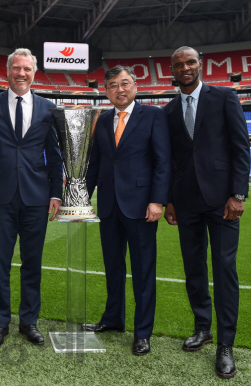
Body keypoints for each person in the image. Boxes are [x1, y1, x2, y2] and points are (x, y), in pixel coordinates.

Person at [163, 46, 250, 379]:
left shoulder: (224, 97)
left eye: (190, 62)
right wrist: (170, 199)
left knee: (224, 268)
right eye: (179, 65)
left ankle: (226, 344)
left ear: (200, 65)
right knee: (193, 268)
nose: (185, 68)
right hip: (186, 202)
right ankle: (203, 327)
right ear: (172, 70)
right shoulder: (169, 111)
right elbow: (170, 160)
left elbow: (241, 147)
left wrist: (238, 194)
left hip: (222, 200)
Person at [83, 65, 171, 356]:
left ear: (135, 86)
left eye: (124, 84)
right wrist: (82, 198)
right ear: (106, 91)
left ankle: (142, 332)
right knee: (113, 266)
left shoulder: (154, 115)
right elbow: (95, 163)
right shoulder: (103, 118)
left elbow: (162, 161)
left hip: (141, 206)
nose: (119, 90)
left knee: (143, 270)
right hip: (109, 206)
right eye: (112, 85)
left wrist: (158, 200)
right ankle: (113, 319)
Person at [0, 48, 63, 348]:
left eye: (27, 69)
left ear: (34, 73)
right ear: (8, 71)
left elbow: (54, 154)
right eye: (17, 68)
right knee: (0, 263)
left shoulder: (47, 108)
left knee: (32, 263)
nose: (22, 74)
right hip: (0, 198)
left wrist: (56, 192)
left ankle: (29, 321)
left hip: (36, 198)